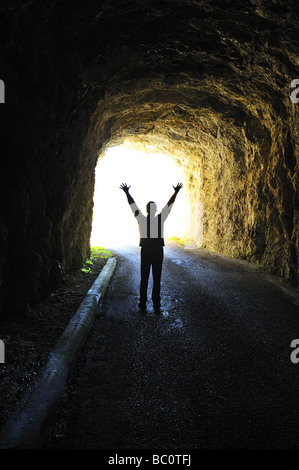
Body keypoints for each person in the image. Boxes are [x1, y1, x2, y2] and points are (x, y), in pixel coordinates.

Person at [120, 182, 183, 311]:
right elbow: (168, 206)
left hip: (146, 251)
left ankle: (142, 302)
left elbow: (133, 206)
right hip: (158, 251)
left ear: (147, 210)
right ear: (155, 210)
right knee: (156, 277)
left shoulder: (142, 219)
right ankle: (156, 302)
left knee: (144, 277)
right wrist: (175, 192)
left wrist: (127, 192)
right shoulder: (160, 219)